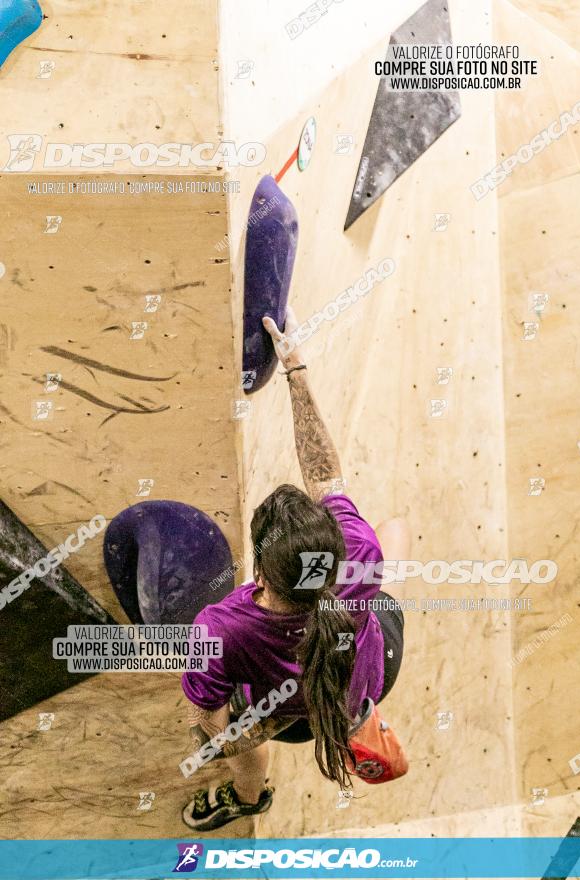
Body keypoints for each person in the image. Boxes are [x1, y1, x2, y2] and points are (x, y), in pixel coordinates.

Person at [181, 307, 409, 831]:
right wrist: (295, 369)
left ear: (260, 573)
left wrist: (219, 727)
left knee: (240, 745)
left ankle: (248, 797)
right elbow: (326, 475)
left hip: (286, 716)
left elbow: (209, 731)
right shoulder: (359, 552)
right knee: (394, 534)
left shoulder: (220, 630)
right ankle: (356, 715)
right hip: (375, 669)